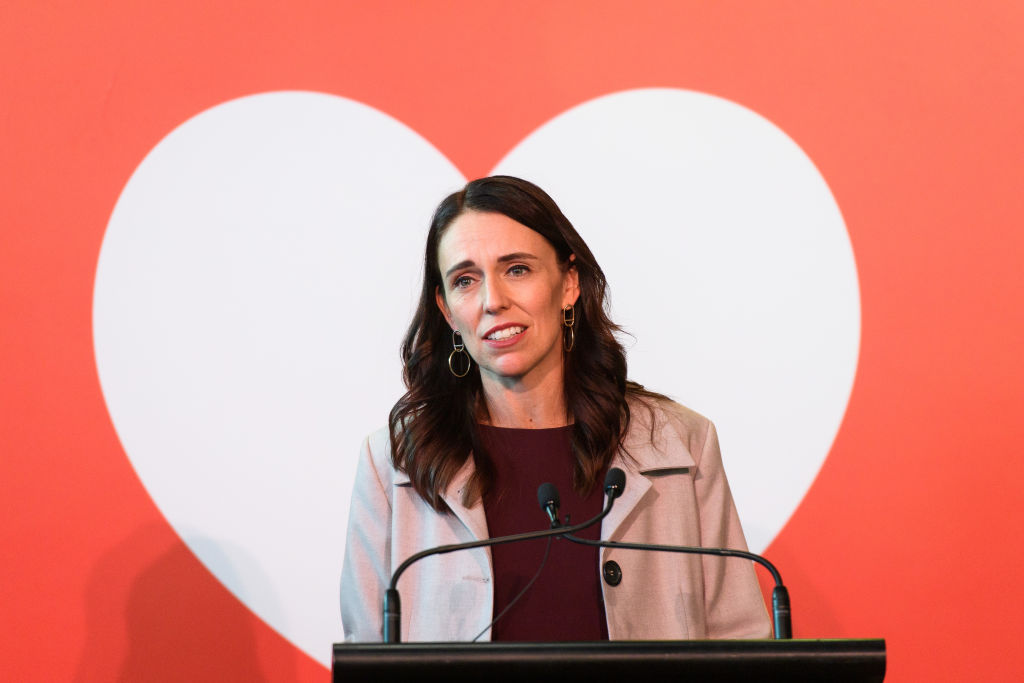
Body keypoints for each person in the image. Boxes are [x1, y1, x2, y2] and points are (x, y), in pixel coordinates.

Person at [340, 176, 771, 642]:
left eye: (517, 270)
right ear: (447, 311)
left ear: (569, 284)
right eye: (466, 280)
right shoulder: (393, 462)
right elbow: (369, 650)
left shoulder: (680, 442)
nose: (493, 301)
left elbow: (739, 642)